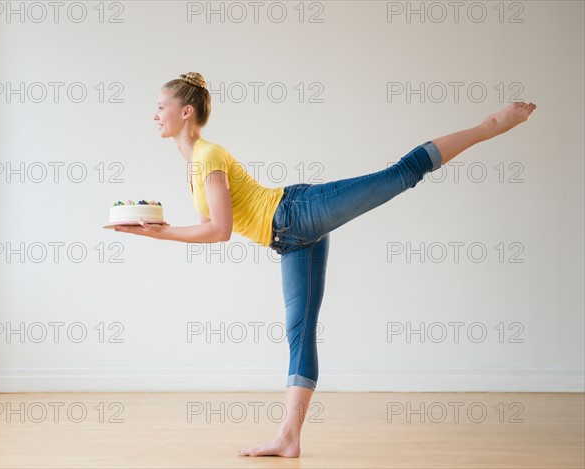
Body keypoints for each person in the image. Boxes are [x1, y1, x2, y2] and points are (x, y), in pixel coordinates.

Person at [114, 72, 537, 458]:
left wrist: (157, 234)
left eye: (160, 107)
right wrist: (156, 226)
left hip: (298, 211)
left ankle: (490, 126)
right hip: (290, 241)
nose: (154, 114)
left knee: (400, 175)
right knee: (298, 333)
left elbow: (219, 230)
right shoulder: (193, 163)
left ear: (185, 111)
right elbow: (210, 224)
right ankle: (289, 436)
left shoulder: (206, 155)